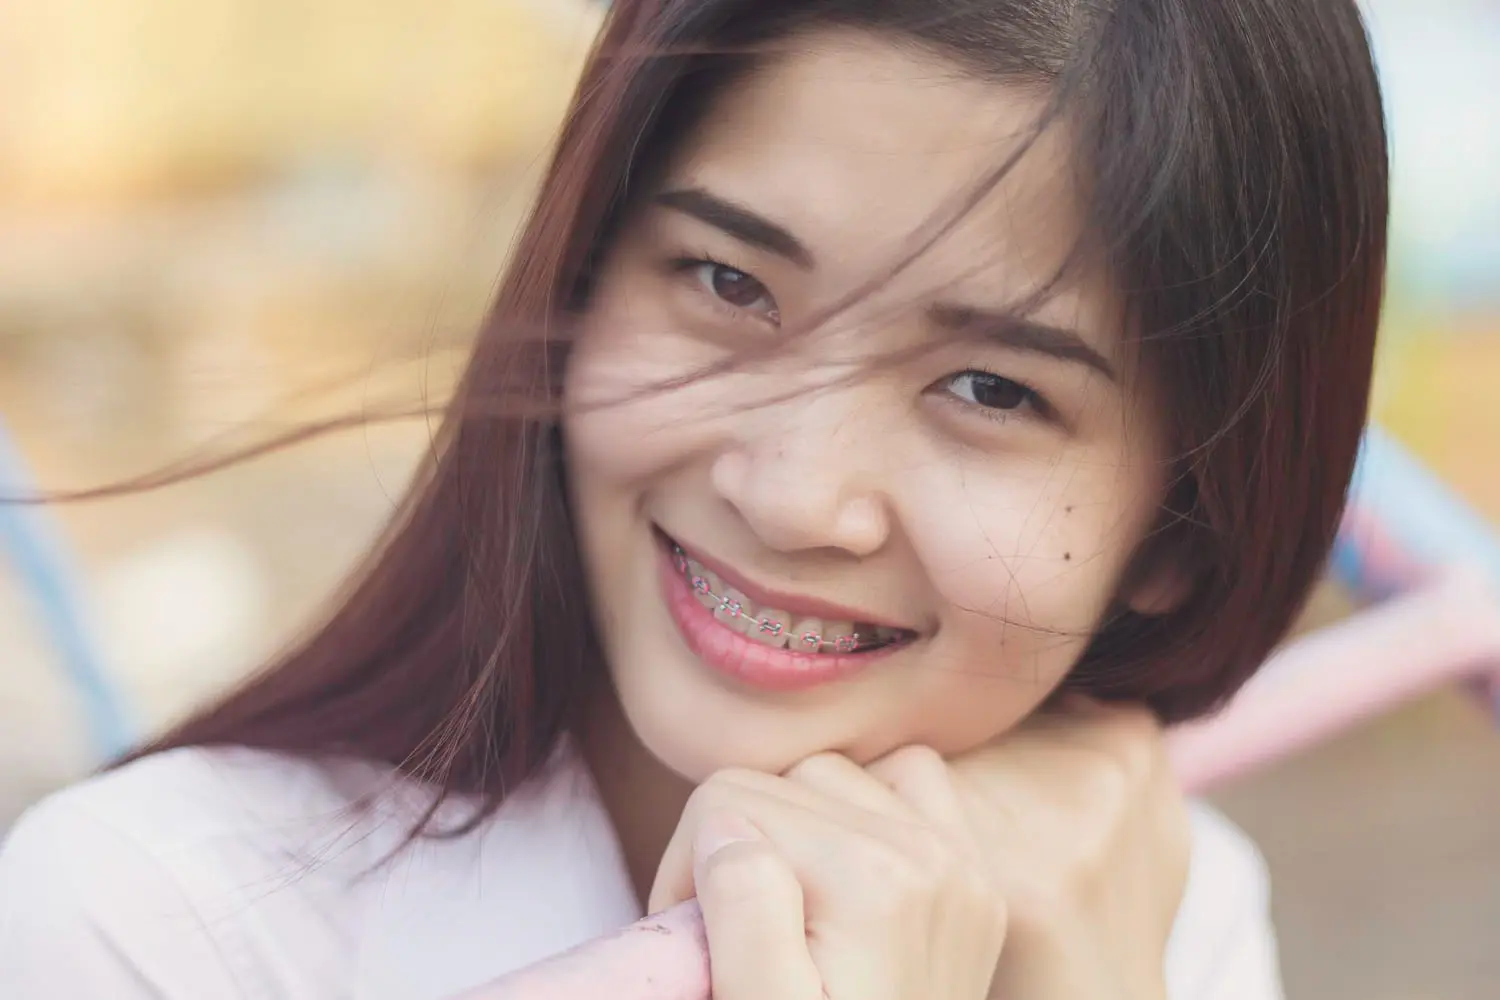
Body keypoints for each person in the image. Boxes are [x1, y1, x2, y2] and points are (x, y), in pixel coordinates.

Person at [0, 1, 1388, 998]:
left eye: (991, 391)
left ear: (1183, 524)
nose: (791, 495)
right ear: (586, 272)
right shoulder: (159, 925)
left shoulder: (1145, 887)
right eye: (729, 285)